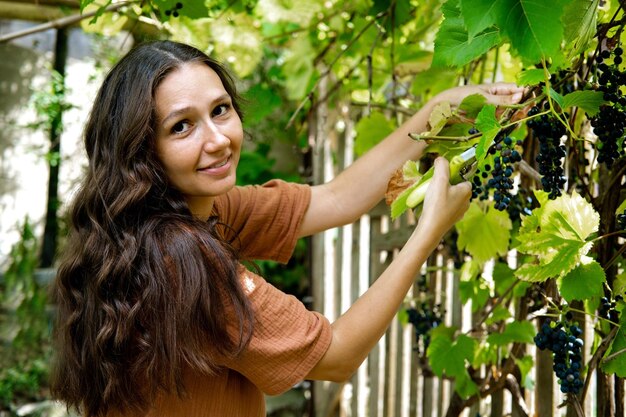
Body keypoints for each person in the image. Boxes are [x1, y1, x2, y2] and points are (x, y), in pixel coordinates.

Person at [49, 40, 524, 417]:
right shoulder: (180, 258)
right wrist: (427, 233)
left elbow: (337, 197)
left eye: (220, 110)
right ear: (141, 150)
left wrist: (436, 111)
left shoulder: (170, 218)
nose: (217, 140)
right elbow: (336, 357)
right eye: (181, 127)